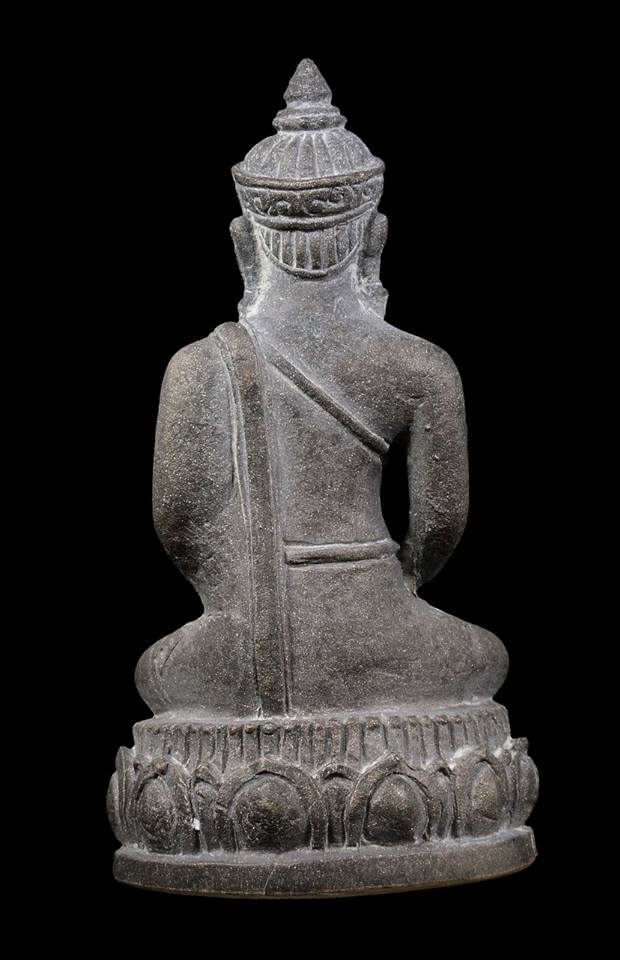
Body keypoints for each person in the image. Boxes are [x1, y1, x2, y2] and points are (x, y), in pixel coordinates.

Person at [135, 59, 508, 721]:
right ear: (374, 239)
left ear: (244, 244)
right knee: (481, 658)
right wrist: (398, 587)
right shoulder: (421, 366)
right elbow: (439, 524)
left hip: (246, 632)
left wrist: (237, 601)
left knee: (162, 674)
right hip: (381, 618)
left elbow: (179, 521)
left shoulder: (198, 365)